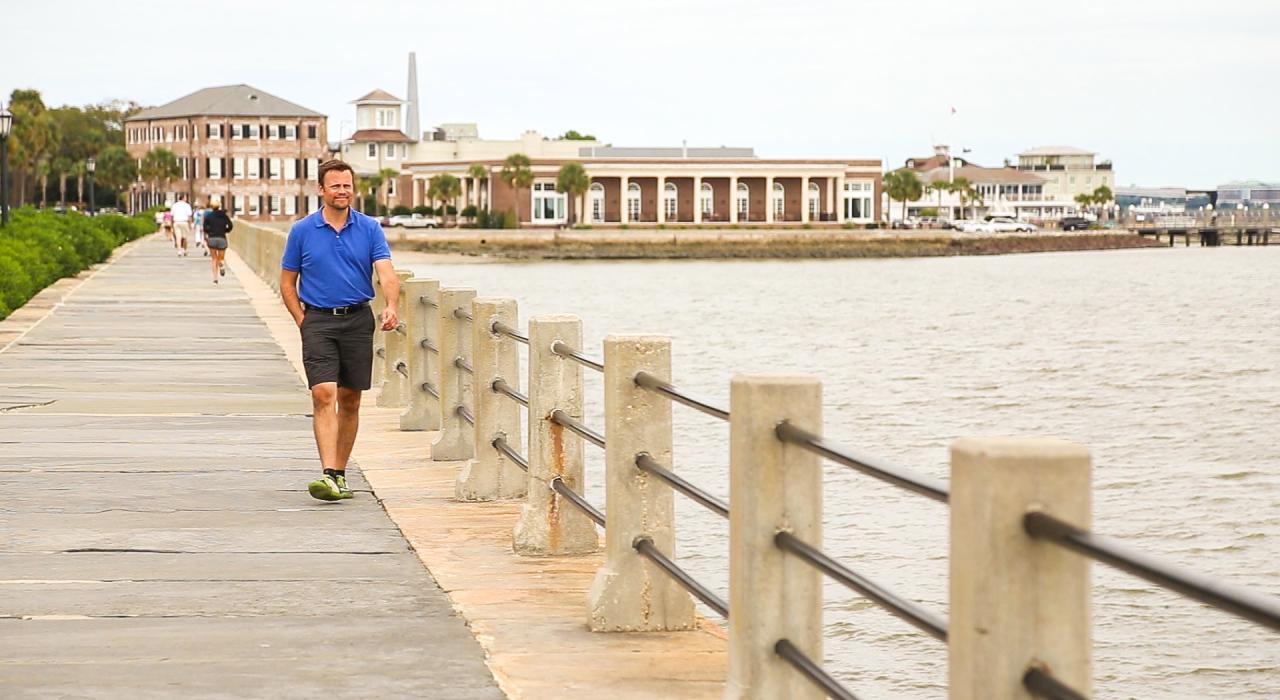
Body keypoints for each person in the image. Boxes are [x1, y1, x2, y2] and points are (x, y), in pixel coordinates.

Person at [280, 160, 399, 502]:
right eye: (335, 186)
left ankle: (341, 474)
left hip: (358, 320)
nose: (342, 191)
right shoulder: (302, 230)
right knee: (323, 394)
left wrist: (391, 305)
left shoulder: (370, 228)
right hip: (317, 320)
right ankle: (328, 474)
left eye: (347, 185)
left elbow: (387, 274)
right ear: (321, 190)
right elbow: (288, 284)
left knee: (350, 399)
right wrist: (303, 322)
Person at [203, 197, 233, 284]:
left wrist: (209, 232)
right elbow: (230, 225)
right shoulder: (224, 215)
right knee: (221, 258)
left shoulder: (208, 216)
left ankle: (215, 278)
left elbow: (205, 227)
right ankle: (222, 264)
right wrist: (226, 230)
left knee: (214, 259)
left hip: (212, 238)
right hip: (222, 238)